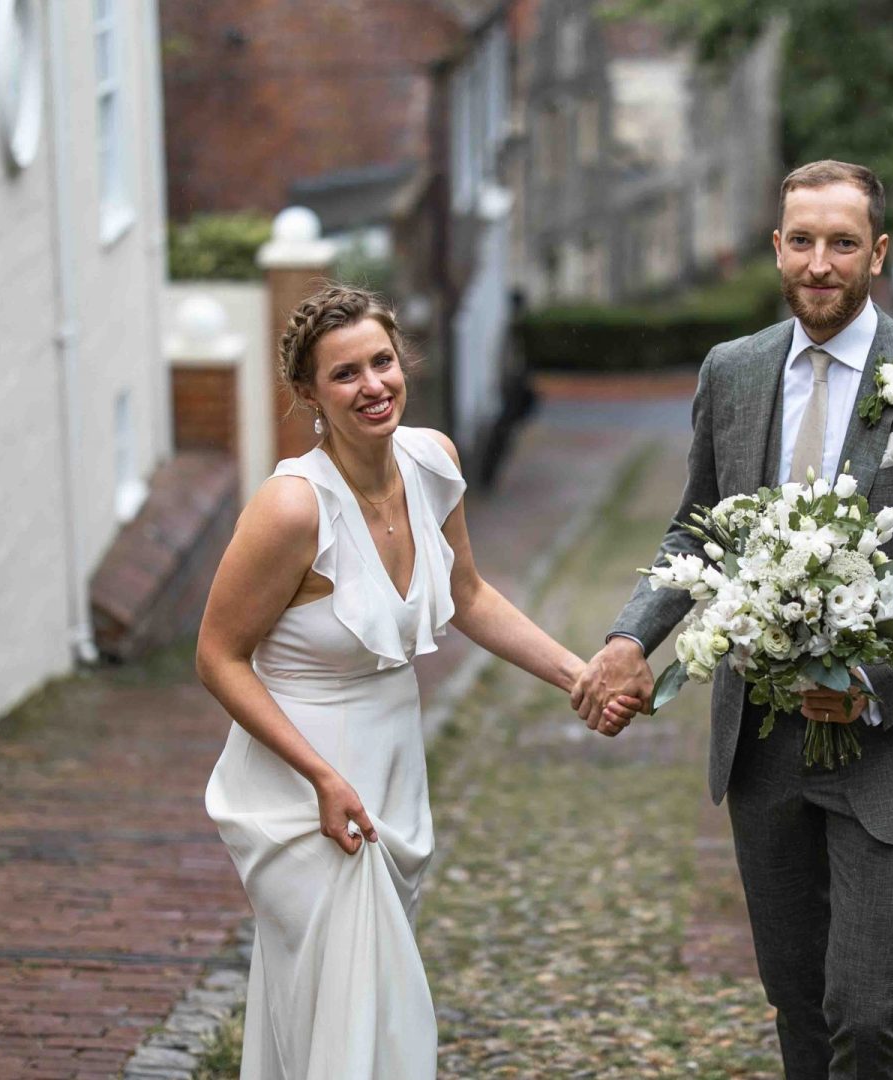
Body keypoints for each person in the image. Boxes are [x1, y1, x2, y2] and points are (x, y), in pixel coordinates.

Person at [570, 160, 893, 1078]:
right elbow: (696, 528)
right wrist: (630, 638)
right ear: (778, 246)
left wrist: (873, 680)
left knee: (864, 1012)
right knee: (798, 1004)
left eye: (843, 244)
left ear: (878, 254)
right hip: (762, 743)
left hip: (887, 747)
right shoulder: (730, 374)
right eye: (804, 241)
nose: (821, 263)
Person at [195, 284, 634, 1080]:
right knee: (361, 1006)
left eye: (382, 362)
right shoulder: (292, 507)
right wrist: (322, 777)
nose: (373, 386)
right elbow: (218, 656)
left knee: (347, 1005)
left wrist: (580, 675)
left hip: (393, 766)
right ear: (309, 395)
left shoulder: (434, 463)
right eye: (345, 374)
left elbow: (468, 595)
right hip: (306, 790)